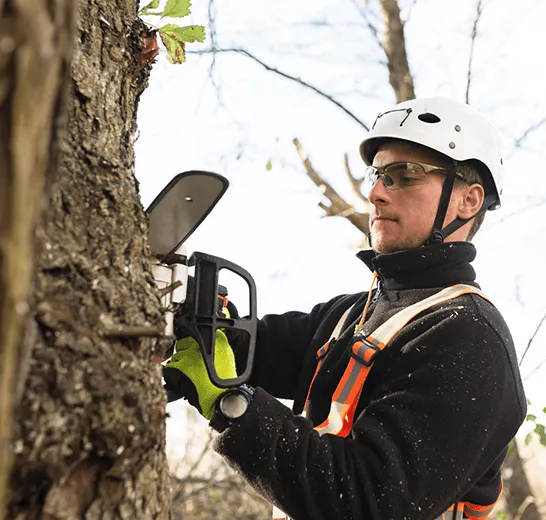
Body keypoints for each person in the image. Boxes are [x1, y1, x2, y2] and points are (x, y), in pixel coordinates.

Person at [163, 97, 527, 520]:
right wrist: (195, 313)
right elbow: (254, 347)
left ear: (468, 200)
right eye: (377, 176)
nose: (375, 193)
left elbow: (368, 500)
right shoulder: (351, 315)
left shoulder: (468, 337)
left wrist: (229, 402)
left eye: (403, 176)